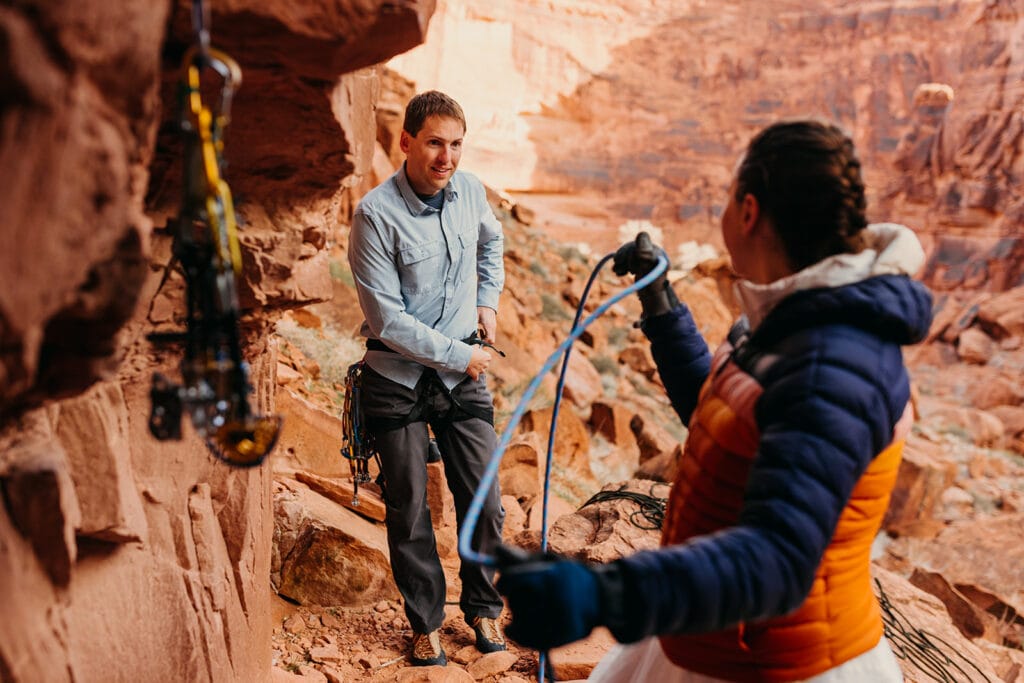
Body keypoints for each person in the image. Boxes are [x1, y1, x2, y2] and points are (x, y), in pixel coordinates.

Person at [496, 120, 933, 682]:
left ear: (748, 211)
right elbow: (723, 415)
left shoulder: (836, 363)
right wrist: (663, 308)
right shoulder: (802, 314)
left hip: (780, 666)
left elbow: (779, 560)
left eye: (727, 199)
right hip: (710, 639)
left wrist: (603, 595)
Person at [348, 90, 507, 667]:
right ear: (407, 142)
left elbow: (493, 243)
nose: (447, 157)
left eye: (457, 144)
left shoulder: (470, 193)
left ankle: (485, 609)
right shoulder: (373, 215)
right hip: (397, 377)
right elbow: (387, 320)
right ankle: (426, 624)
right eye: (436, 143)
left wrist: (487, 301)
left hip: (463, 370)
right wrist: (459, 356)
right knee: (410, 504)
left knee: (485, 497)